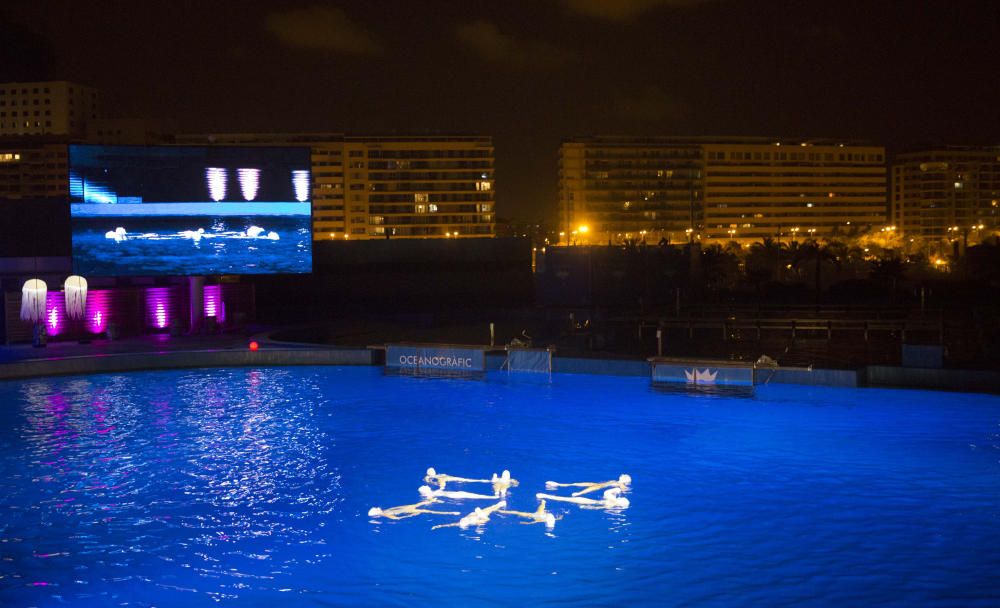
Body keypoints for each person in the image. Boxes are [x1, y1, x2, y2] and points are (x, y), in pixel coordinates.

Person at [433, 500, 507, 530]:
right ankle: (499, 505)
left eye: (461, 520)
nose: (461, 519)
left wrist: (438, 526)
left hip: (475, 514)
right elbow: (485, 521)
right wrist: (481, 521)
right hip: (480, 516)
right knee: (489, 511)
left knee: (489, 509)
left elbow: (449, 525)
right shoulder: (473, 522)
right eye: (463, 520)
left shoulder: (459, 523)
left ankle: (498, 505)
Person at [535, 487, 630, 510]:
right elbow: (597, 508)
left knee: (564, 499)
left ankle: (545, 496)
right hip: (586, 502)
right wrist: (586, 507)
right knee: (564, 499)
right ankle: (545, 496)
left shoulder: (613, 502)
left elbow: (606, 493)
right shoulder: (612, 504)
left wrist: (615, 489)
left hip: (585, 501)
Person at [368, 498, 460, 520]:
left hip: (406, 508)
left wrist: (411, 513)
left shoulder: (385, 512)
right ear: (377, 512)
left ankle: (451, 513)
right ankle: (451, 512)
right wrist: (411, 514)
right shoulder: (386, 514)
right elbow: (398, 518)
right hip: (407, 509)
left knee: (426, 510)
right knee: (426, 510)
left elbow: (397, 515)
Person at [545, 474, 631, 497]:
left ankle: (579, 494)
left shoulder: (620, 483)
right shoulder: (614, 480)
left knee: (592, 487)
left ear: (624, 479)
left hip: (600, 486)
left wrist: (622, 487)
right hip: (598, 484)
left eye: (624, 476)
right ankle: (559, 484)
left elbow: (624, 489)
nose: (622, 475)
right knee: (576, 483)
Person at [424, 467, 491, 489]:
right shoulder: (439, 475)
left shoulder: (427, 477)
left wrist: (435, 484)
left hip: (446, 479)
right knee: (465, 480)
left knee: (465, 480)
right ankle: (483, 481)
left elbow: (430, 482)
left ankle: (482, 481)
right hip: (448, 477)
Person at [419, 485, 498, 500]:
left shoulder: (433, 493)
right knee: (473, 496)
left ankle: (491, 497)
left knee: (473, 495)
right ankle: (492, 497)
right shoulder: (431, 493)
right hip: (454, 495)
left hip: (455, 494)